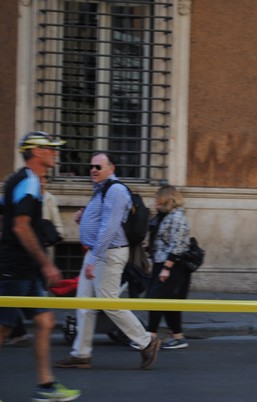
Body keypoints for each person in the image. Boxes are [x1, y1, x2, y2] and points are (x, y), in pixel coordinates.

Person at [55, 152, 160, 370]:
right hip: (97, 253)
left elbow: (110, 228)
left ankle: (146, 340)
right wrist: (84, 219)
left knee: (108, 302)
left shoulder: (116, 190)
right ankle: (81, 354)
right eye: (91, 166)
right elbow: (103, 221)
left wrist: (94, 258)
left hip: (108, 255)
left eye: (98, 166)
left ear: (111, 168)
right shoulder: (101, 189)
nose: (93, 170)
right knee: (84, 305)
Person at [0, 131, 81, 401]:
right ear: (36, 152)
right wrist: (46, 264)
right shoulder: (29, 182)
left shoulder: (19, 180)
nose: (55, 153)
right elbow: (21, 227)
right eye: (51, 149)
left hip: (26, 266)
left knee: (45, 322)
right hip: (16, 266)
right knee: (3, 328)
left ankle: (45, 385)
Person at [5, 174, 64, 347]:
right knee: (18, 299)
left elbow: (58, 228)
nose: (41, 181)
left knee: (37, 310)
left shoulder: (49, 199)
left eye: (45, 178)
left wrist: (42, 240)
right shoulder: (21, 194)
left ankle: (18, 330)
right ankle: (19, 331)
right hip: (20, 257)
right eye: (39, 178)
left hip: (39, 256)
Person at [144, 185, 192, 350]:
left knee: (155, 299)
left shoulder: (177, 217)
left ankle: (150, 337)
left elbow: (177, 245)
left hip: (172, 266)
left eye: (158, 201)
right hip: (162, 263)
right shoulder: (165, 216)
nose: (155, 204)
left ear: (167, 200)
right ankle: (177, 336)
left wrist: (166, 268)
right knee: (167, 302)